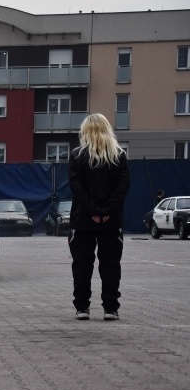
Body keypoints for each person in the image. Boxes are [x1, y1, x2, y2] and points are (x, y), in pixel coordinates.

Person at [68, 113, 130, 322]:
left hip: (82, 220)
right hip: (111, 222)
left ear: (85, 131)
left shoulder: (76, 156)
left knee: (82, 265)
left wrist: (93, 212)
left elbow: (77, 189)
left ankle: (82, 308)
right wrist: (106, 213)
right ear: (107, 130)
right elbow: (122, 189)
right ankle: (110, 309)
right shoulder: (119, 155)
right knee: (111, 265)